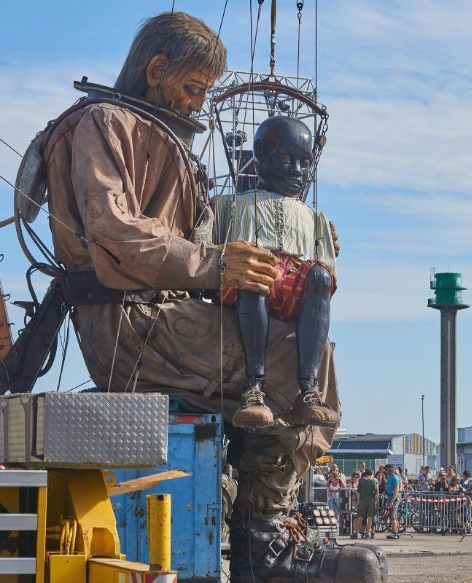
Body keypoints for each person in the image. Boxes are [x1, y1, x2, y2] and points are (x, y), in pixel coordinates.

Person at [39, 12, 378, 582]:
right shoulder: (106, 122)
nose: (199, 103)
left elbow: (200, 230)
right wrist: (218, 264)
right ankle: (262, 543)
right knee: (304, 359)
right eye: (194, 87)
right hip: (130, 323)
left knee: (295, 355)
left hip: (161, 315)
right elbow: (114, 232)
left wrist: (291, 232)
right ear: (156, 71)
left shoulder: (156, 134)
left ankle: (258, 537)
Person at [212, 115, 339, 430]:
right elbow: (206, 248)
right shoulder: (228, 205)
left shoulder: (315, 218)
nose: (296, 171)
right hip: (248, 281)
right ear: (261, 156)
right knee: (256, 271)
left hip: (293, 288)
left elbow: (324, 273)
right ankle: (254, 386)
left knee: (320, 275)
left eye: (304, 163)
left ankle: (308, 388)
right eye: (286, 160)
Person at [352, 468, 378, 540]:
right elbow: (376, 493)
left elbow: (358, 492)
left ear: (365, 473)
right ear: (371, 474)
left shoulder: (361, 480)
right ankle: (368, 534)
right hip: (371, 500)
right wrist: (376, 502)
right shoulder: (373, 481)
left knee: (360, 516)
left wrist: (358, 502)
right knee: (370, 517)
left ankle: (355, 532)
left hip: (363, 499)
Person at [384, 465, 402, 540]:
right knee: (394, 516)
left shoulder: (394, 477)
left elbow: (396, 490)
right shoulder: (390, 477)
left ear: (389, 470)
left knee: (392, 515)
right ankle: (396, 532)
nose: (385, 471)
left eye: (386, 470)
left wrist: (392, 501)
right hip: (390, 497)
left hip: (394, 498)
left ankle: (395, 533)